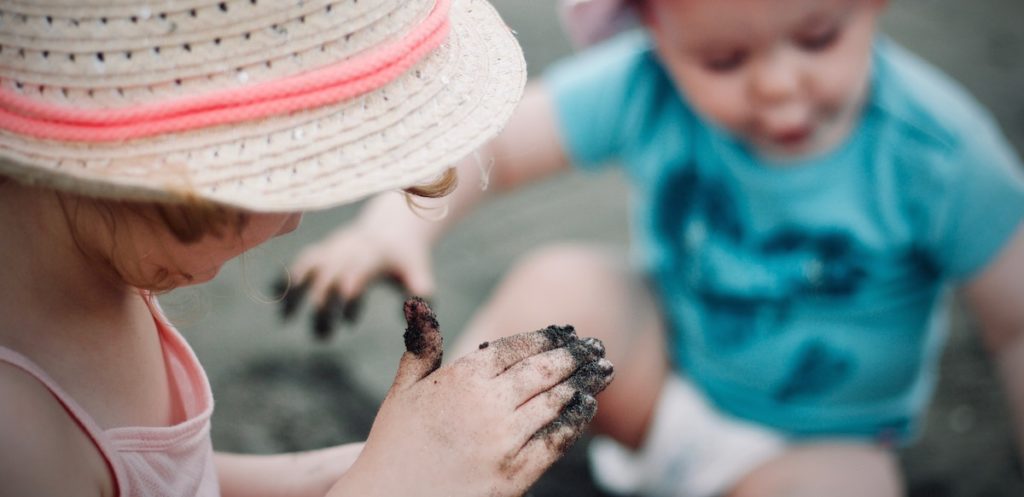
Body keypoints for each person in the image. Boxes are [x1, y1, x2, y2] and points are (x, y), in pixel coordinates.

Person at [283, 0, 1024, 495]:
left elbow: (1016, 318)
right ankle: (453, 449)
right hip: (658, 378)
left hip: (816, 443)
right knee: (563, 280)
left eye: (818, 37)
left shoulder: (937, 153)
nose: (777, 83)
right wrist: (398, 223)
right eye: (724, 60)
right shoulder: (648, 83)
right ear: (654, 32)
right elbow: (496, 151)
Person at [0, 1, 616, 496]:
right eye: (286, 177)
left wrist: (335, 474)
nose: (295, 221)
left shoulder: (84, 263)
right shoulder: (18, 441)